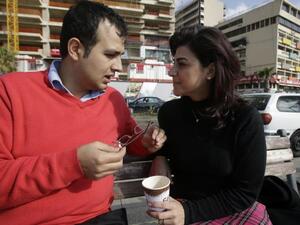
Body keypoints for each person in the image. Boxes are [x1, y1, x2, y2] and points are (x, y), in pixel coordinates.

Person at [0, 1, 166, 225]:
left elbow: (132, 138)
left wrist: (146, 142)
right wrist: (74, 164)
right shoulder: (9, 92)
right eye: (110, 54)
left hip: (101, 218)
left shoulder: (113, 99)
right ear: (76, 49)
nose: (119, 66)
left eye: (120, 56)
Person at [147, 26, 272, 225]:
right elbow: (169, 144)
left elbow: (245, 192)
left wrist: (188, 212)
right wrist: (159, 155)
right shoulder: (169, 113)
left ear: (211, 70)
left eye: (182, 64)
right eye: (174, 63)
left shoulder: (244, 117)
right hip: (181, 206)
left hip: (231, 208)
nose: (172, 71)